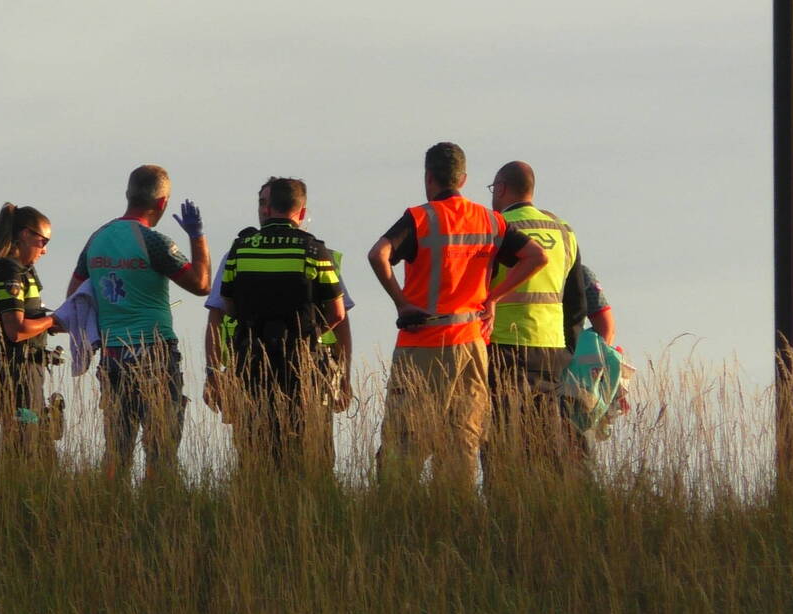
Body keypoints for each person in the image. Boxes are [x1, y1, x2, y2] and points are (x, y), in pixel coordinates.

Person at [368, 143, 548, 485]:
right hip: (470, 345)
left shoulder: (420, 218)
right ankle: (457, 520)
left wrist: (401, 302)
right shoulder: (489, 220)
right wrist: (493, 298)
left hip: (421, 344)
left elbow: (379, 254)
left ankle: (395, 518)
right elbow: (536, 257)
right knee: (461, 442)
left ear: (429, 177)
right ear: (463, 179)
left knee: (403, 445)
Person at [67, 165, 211, 481]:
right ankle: (157, 515)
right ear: (161, 203)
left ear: (128, 195)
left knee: (116, 453)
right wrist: (197, 236)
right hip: (156, 354)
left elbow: (74, 297)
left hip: (113, 357)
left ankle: (111, 512)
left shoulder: (97, 239)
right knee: (162, 451)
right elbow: (201, 284)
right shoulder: (154, 241)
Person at [203, 178, 354, 470]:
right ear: (301, 211)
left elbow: (227, 307)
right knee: (310, 455)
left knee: (255, 455)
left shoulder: (241, 249)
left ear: (268, 208)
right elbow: (338, 314)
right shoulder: (315, 251)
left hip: (251, 367)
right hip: (303, 368)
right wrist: (309, 336)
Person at [485, 161, 588, 477]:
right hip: (552, 350)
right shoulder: (563, 230)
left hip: (503, 345)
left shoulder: (495, 227)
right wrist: (569, 350)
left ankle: (502, 502)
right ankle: (543, 500)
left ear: (501, 188)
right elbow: (576, 302)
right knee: (542, 437)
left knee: (499, 439)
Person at [0, 202, 63, 466]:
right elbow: (16, 330)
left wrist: (55, 321)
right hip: (17, 375)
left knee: (40, 449)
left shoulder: (22, 272)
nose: (44, 250)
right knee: (24, 450)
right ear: (24, 234)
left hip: (28, 372)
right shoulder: (8, 273)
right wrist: (53, 320)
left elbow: (31, 316)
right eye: (42, 241)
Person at [575, 264, 615, 346]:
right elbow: (607, 329)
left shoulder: (581, 273)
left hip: (568, 351)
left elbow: (606, 328)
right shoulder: (580, 273)